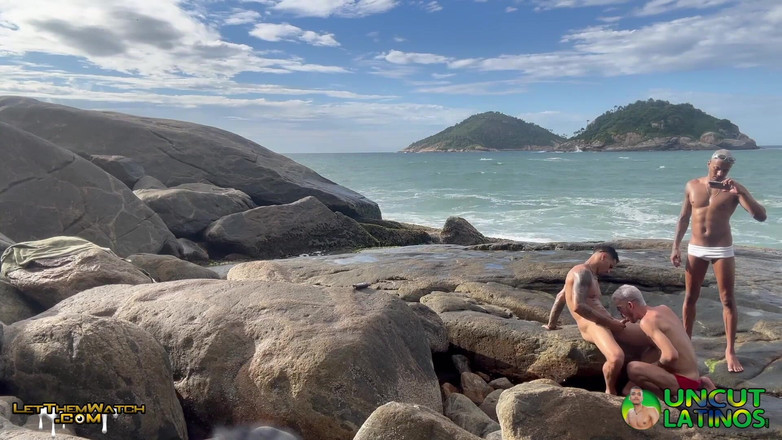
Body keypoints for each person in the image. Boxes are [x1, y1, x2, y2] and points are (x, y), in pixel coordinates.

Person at [671, 149, 767, 373]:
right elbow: (684, 217)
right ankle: (686, 344)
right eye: (717, 168)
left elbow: (761, 216)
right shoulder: (692, 185)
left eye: (725, 170)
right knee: (690, 297)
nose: (721, 173)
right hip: (696, 248)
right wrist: (675, 245)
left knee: (727, 299)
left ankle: (730, 350)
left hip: (722, 249)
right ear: (708, 164)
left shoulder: (734, 189)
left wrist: (741, 191)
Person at [543, 245, 654, 394]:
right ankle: (610, 391)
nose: (609, 271)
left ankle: (632, 385)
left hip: (606, 322)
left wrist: (551, 324)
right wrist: (610, 323)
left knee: (653, 338)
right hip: (592, 325)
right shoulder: (581, 272)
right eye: (610, 266)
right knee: (616, 357)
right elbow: (578, 306)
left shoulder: (589, 275)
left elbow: (560, 297)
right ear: (603, 256)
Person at [612, 285, 717, 398]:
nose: (621, 314)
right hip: (692, 375)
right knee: (651, 349)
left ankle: (662, 399)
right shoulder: (663, 309)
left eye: (620, 309)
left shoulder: (646, 322)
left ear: (630, 305)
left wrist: (656, 366)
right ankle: (701, 383)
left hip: (684, 382)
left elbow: (671, 355)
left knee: (633, 368)